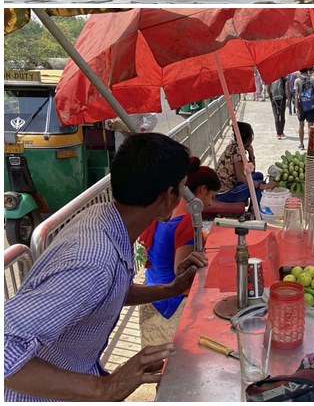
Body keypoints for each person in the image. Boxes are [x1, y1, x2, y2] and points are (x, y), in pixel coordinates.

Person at [3, 133, 208, 402]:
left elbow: (105, 293)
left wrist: (170, 289)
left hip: (76, 373)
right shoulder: (92, 261)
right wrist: (105, 388)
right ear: (168, 197)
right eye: (182, 189)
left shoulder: (104, 220)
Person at [136, 158, 220, 346]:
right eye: (212, 196)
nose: (211, 204)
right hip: (168, 298)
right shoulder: (187, 221)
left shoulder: (168, 209)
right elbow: (180, 271)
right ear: (203, 190)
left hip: (152, 278)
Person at [214, 122, 264, 202]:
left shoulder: (232, 146)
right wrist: (260, 185)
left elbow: (251, 172)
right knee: (261, 183)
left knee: (259, 175)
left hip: (227, 185)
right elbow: (241, 178)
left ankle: (253, 206)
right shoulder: (238, 153)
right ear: (249, 139)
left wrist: (251, 154)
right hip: (225, 193)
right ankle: (255, 211)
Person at [292, 68, 314, 149]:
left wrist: (296, 107)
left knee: (301, 125)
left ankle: (301, 144)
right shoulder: (313, 79)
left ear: (300, 70)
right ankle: (310, 144)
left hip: (301, 105)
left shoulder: (297, 80)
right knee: (310, 127)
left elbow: (296, 94)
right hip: (311, 104)